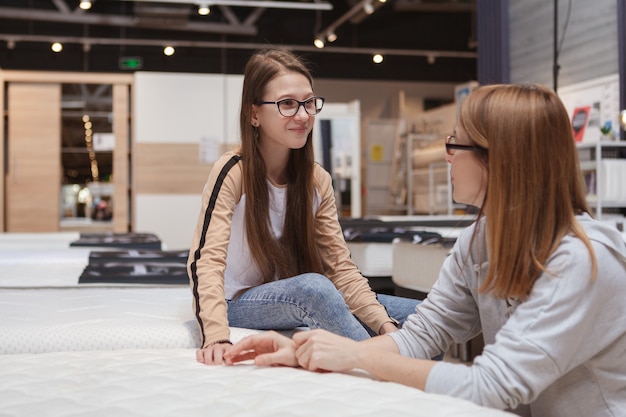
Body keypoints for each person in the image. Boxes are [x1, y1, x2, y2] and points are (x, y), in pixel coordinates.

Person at [224, 83, 626, 417]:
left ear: (497, 159)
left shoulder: (582, 261)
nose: (447, 156)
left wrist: (354, 355)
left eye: (454, 144)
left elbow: (492, 386)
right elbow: (422, 335)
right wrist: (306, 351)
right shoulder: (478, 240)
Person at [187, 48, 420, 366]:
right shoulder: (233, 171)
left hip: (290, 292)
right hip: (239, 301)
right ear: (254, 114)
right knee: (314, 287)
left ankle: (408, 371)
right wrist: (215, 334)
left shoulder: (316, 179)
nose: (302, 115)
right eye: (286, 104)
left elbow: (341, 267)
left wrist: (385, 326)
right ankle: (388, 370)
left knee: (421, 317)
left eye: (309, 102)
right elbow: (205, 261)